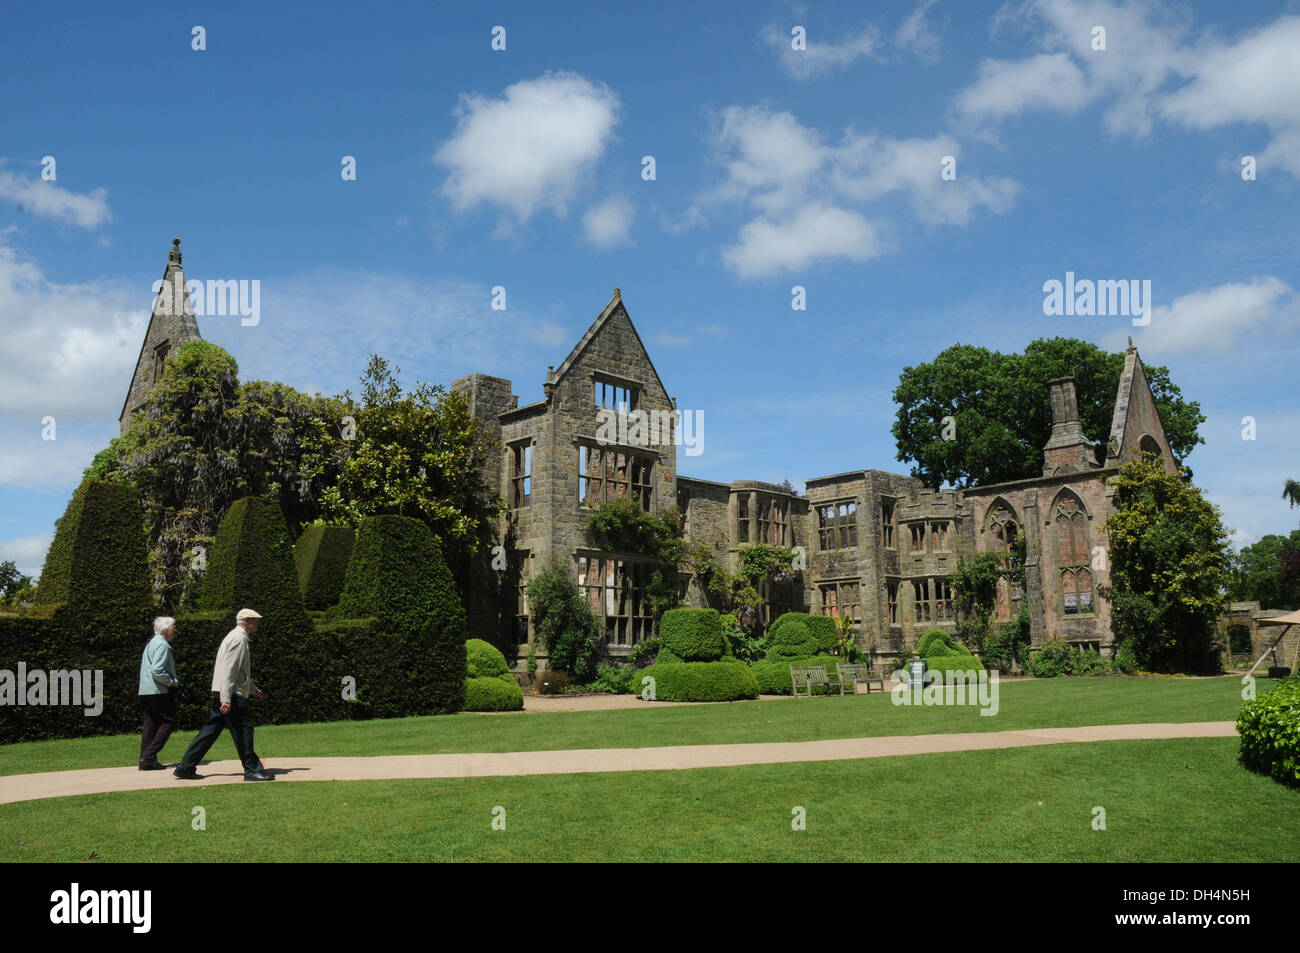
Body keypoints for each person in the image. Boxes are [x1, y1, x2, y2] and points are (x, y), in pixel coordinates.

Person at [173, 608, 274, 782]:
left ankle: (186, 766)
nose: (258, 623)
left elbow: (238, 673)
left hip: (225, 692)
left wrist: (253, 689)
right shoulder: (238, 639)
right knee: (244, 730)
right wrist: (226, 698)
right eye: (255, 620)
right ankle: (252, 769)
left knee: (210, 730)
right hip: (232, 695)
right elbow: (229, 671)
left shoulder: (235, 637)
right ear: (245, 622)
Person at [138, 616, 180, 770]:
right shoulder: (163, 645)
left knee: (151, 722)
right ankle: (148, 755)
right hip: (158, 690)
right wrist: (171, 682)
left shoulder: (151, 643)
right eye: (174, 627)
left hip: (145, 690)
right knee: (169, 721)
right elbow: (157, 670)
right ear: (167, 629)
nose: (175, 630)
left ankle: (146, 760)